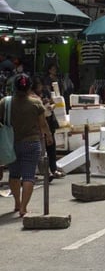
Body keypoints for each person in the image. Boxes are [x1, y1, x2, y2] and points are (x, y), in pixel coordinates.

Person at [6, 73, 52, 217]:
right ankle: (23, 208)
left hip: (11, 143)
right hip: (31, 143)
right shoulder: (36, 103)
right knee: (28, 176)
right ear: (29, 87)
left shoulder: (5, 103)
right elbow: (43, 124)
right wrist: (49, 136)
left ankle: (17, 203)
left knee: (14, 174)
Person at [31, 75, 64, 181]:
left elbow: (52, 102)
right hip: (39, 124)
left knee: (51, 147)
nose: (41, 87)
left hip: (49, 121)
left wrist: (50, 105)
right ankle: (45, 172)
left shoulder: (45, 92)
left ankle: (52, 169)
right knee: (40, 150)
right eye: (39, 85)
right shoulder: (32, 96)